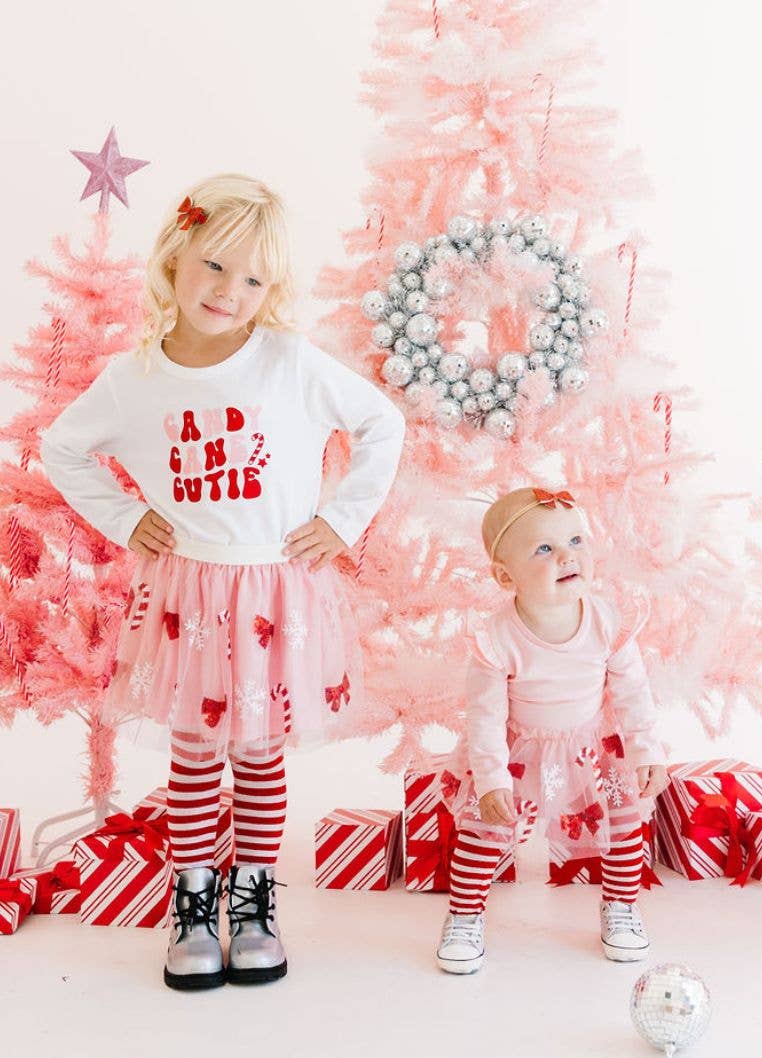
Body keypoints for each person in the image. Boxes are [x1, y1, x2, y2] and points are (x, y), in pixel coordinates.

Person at [41, 174, 405, 989]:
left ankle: (253, 900)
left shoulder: (289, 362)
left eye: (253, 279)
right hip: (189, 600)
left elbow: (382, 423)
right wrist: (125, 519)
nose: (229, 292)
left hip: (275, 595)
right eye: (214, 266)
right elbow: (62, 448)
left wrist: (340, 521)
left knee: (261, 753)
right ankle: (194, 899)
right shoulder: (136, 378)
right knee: (197, 753)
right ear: (175, 259)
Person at [434, 487, 668, 974]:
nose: (567, 556)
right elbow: (484, 719)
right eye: (544, 549)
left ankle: (621, 906)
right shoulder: (496, 639)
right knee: (483, 829)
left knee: (625, 822)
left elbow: (632, 694)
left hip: (589, 746)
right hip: (518, 750)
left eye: (576, 540)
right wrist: (494, 780)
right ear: (505, 576)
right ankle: (464, 915)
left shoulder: (606, 621)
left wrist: (646, 751)